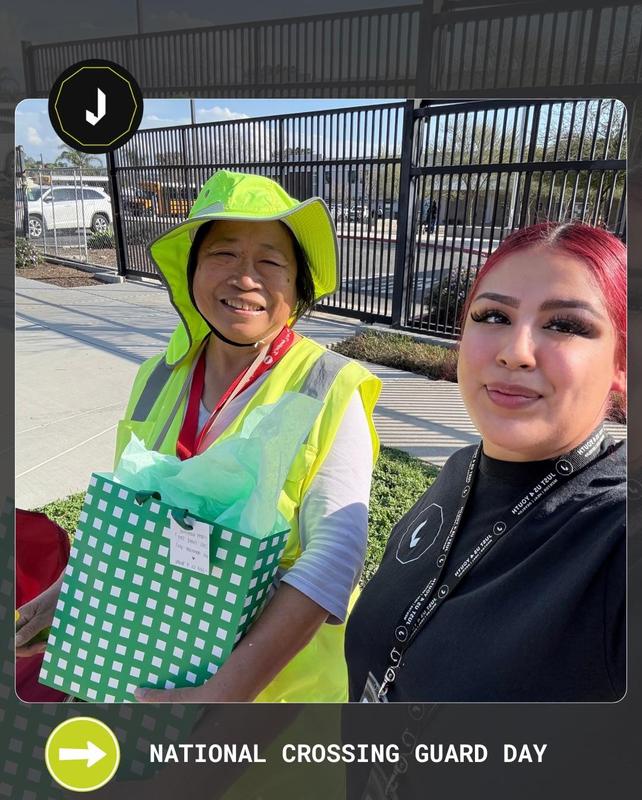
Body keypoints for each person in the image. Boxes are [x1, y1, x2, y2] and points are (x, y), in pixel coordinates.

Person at [16, 170, 381, 703]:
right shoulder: (157, 378)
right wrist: (69, 593)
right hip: (147, 671)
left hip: (277, 699)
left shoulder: (328, 384)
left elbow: (336, 554)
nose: (245, 278)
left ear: (298, 287)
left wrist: (225, 693)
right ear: (191, 272)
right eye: (223, 254)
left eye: (271, 262)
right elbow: (130, 519)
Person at [346, 221, 626, 702]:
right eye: (493, 316)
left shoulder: (614, 534)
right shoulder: (460, 472)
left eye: (565, 325)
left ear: (622, 362)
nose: (515, 352)